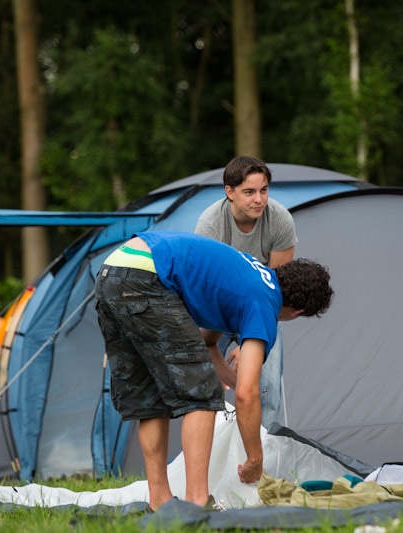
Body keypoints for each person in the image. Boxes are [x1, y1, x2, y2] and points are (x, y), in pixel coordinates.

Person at [94, 231, 332, 511]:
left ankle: (159, 501)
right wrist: (255, 460)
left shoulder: (251, 275)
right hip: (147, 278)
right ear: (297, 311)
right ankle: (197, 502)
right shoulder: (265, 302)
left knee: (149, 400)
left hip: (112, 271)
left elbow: (209, 342)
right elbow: (246, 394)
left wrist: (227, 375)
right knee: (204, 396)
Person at [195, 155, 297, 430]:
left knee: (267, 386)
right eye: (249, 192)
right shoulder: (210, 225)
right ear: (230, 192)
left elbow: (276, 290)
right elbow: (206, 294)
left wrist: (250, 341)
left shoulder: (280, 220)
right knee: (203, 382)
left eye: (263, 190)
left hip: (261, 307)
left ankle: (264, 455)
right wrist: (217, 353)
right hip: (217, 308)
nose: (259, 200)